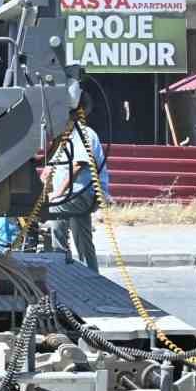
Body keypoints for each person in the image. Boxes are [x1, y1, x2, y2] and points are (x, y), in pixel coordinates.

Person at [43, 98, 109, 272]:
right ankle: (90, 271)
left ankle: (59, 266)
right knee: (82, 234)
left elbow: (78, 165)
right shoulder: (67, 136)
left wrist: (57, 193)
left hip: (79, 193)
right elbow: (56, 164)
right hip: (76, 195)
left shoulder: (82, 133)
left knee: (54, 213)